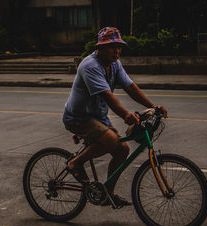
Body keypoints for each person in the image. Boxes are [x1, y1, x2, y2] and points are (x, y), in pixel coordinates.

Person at [62, 27, 168, 207]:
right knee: (112, 140)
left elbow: (131, 88)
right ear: (100, 47)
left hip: (98, 118)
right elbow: (107, 96)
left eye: (119, 47)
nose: (117, 51)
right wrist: (126, 115)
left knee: (122, 150)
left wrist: (152, 106)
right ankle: (75, 163)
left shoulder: (114, 64)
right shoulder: (90, 66)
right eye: (112, 47)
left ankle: (107, 194)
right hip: (78, 117)